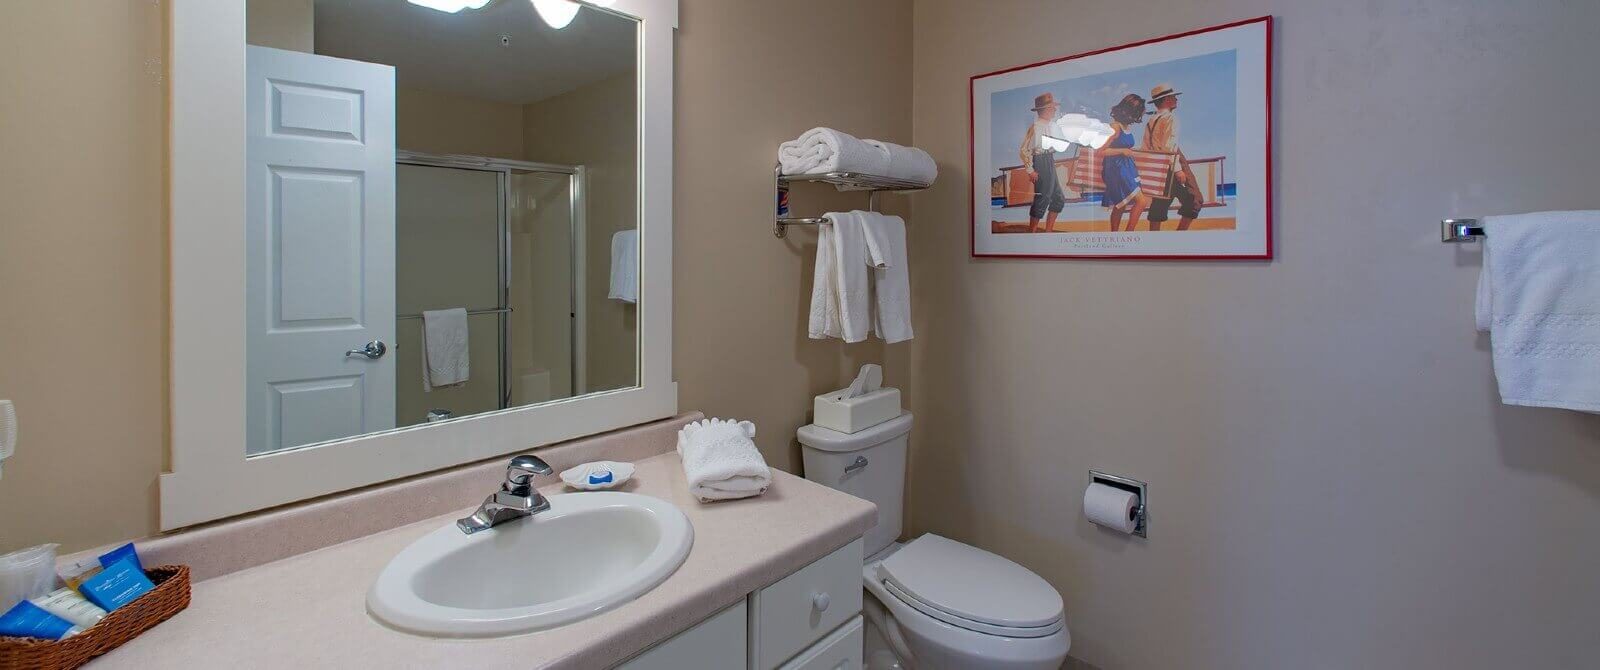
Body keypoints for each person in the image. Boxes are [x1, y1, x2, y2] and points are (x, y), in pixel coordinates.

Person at [1141, 84, 1202, 231]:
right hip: (1171, 162)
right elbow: (1170, 147)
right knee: (1195, 200)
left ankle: (1155, 238)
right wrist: (1177, 170)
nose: (1176, 99)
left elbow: (1145, 148)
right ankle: (1179, 235)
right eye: (1174, 97)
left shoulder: (1152, 120)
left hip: (1158, 166)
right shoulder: (1170, 118)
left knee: (1160, 202)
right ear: (1167, 99)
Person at [1098, 93, 1149, 232]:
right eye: (1137, 113)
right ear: (1130, 111)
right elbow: (1100, 151)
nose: (1138, 117)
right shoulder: (1115, 127)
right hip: (1116, 170)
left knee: (1120, 205)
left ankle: (1115, 234)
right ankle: (1129, 232)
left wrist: (1127, 151)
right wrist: (1121, 151)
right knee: (1141, 201)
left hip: (1126, 168)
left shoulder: (1125, 126)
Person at [1018, 93, 1068, 233]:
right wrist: (1030, 170)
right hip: (1040, 161)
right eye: (1052, 108)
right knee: (1043, 197)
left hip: (1049, 160)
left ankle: (1048, 231)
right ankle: (1032, 232)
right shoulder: (1035, 127)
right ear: (1045, 109)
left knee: (1058, 198)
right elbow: (1024, 149)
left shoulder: (1052, 126)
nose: (1054, 110)